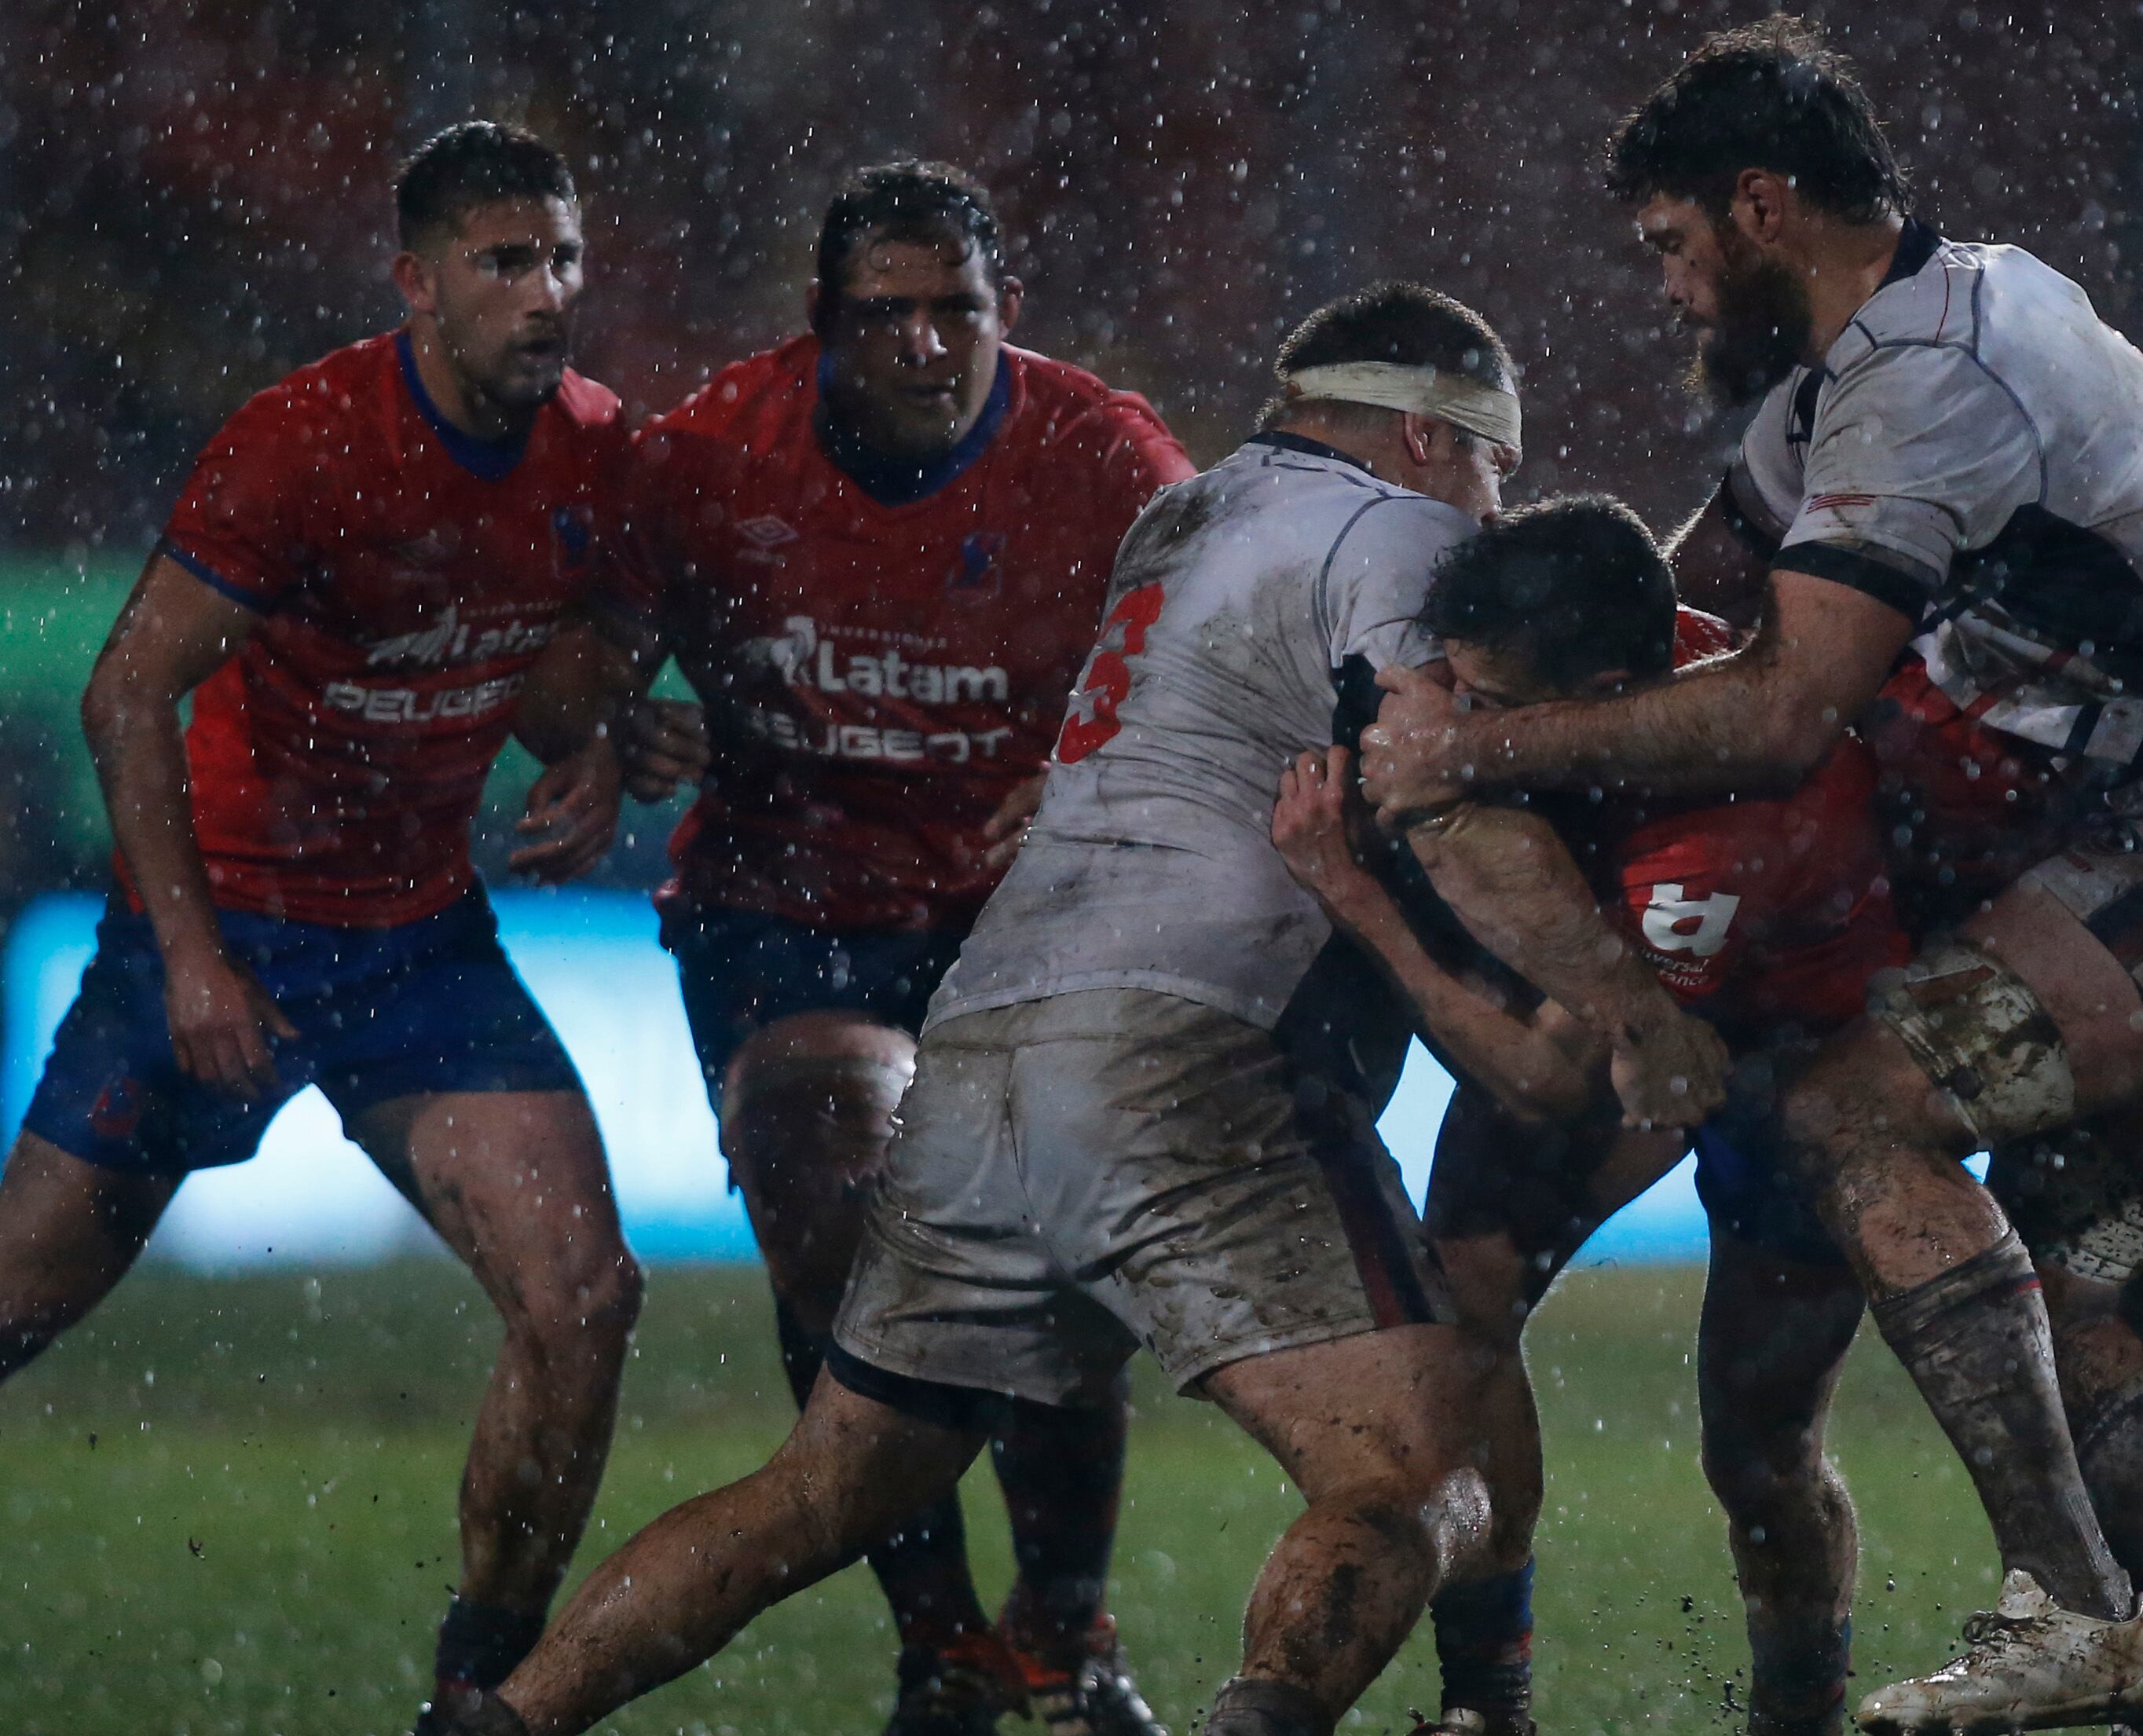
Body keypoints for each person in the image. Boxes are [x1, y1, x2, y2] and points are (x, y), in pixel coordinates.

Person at [1361, 18, 2143, 1731]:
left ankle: (2078, 1612)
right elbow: (1678, 598)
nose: (1664, 293)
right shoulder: (1884, 353)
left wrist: (1475, 758)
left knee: (1848, 1114)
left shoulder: (1922, 377)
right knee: (2102, 1321)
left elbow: (1777, 703)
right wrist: (1555, 676)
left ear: (1756, 206)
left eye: (1671, 246)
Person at [439, 283, 1727, 1736]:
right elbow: (1440, 803)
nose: (1496, 511)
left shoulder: (1180, 527)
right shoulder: (1405, 537)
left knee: (820, 1492)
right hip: (1184, 1045)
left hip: (984, 1043)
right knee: (1422, 1476)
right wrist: (1631, 1003)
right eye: (1495, 465)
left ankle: (505, 1715)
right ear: (1429, 439)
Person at [518, 161, 1196, 1736]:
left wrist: (1102, 764)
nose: (918, 342)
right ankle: (943, 1640)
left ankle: (1064, 1629)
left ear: (1005, 314)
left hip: (1022, 915)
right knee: (834, 1224)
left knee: (1044, 1257)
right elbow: (567, 662)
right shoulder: (701, 459)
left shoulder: (1107, 461)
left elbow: (1219, 656)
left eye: (950, 307)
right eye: (878, 313)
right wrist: (608, 721)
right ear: (819, 326)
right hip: (789, 903)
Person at [0, 122, 642, 1733]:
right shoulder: (304, 443)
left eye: (561, 257)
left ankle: (477, 1692)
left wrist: (597, 744)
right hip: (213, 930)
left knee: (584, 1302)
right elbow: (127, 684)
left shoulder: (599, 452)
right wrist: (198, 959)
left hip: (417, 941)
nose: (543, 293)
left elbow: (564, 661)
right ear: (415, 282)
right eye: (504, 262)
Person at [1269, 495, 1903, 1736]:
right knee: (1466, 1285)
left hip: (1797, 1066)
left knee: (1759, 1451)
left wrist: (1361, 901)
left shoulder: (1716, 831)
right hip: (1659, 1025)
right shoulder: (1609, 672)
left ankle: (1799, 1720)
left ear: (1604, 692)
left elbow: (1555, 1081)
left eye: (1494, 712)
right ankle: (1488, 1706)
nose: (1467, 726)